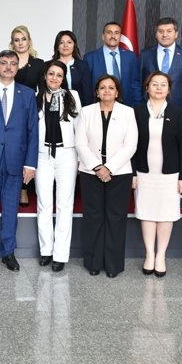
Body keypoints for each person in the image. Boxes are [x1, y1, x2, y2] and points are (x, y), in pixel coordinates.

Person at [0, 50, 39, 273]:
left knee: (11, 209)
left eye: (13, 63)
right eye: (4, 63)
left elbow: (33, 131)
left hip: (16, 160)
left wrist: (30, 164)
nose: (8, 67)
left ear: (18, 67)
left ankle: (8, 252)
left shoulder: (27, 94)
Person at [75, 74, 138, 278]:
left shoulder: (128, 112)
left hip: (119, 173)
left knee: (115, 218)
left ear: (117, 92)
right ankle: (93, 262)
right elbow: (80, 143)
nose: (107, 91)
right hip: (90, 172)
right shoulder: (86, 112)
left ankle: (113, 264)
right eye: (102, 87)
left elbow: (130, 146)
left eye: (111, 88)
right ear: (97, 92)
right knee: (93, 217)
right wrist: (97, 167)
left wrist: (108, 168)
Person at [132, 71, 182, 278]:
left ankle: (161, 256)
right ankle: (149, 254)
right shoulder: (137, 112)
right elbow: (130, 145)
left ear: (169, 89)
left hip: (170, 174)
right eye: (154, 84)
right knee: (146, 213)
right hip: (144, 172)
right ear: (147, 87)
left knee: (166, 214)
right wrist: (132, 173)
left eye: (163, 84)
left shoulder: (176, 112)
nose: (158, 88)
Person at [35, 60, 81, 272]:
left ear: (63, 79)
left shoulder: (73, 96)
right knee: (44, 204)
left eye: (59, 75)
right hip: (42, 155)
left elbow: (80, 127)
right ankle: (46, 250)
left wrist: (80, 158)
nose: (54, 78)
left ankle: (60, 254)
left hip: (66, 155)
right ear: (45, 76)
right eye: (51, 74)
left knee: (64, 205)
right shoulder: (36, 97)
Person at [10, 25, 44, 206]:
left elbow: (42, 90)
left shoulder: (38, 63)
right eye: (17, 40)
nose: (20, 43)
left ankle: (24, 189)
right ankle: (11, 186)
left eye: (23, 39)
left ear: (29, 41)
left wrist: (33, 108)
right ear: (12, 43)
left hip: (29, 111)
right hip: (9, 112)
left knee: (26, 148)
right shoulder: (8, 61)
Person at [139, 17, 182, 119]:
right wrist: (140, 109)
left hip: (178, 113)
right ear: (156, 34)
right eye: (161, 31)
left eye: (169, 31)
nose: (164, 35)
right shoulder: (145, 55)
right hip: (150, 112)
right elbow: (139, 84)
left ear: (176, 34)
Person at [83, 21, 142, 107]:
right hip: (98, 107)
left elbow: (135, 84)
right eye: (109, 32)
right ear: (103, 36)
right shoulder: (90, 58)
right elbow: (87, 87)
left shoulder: (130, 57)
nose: (113, 36)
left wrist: (138, 106)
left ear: (120, 37)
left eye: (116, 33)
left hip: (126, 106)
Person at [51, 30, 93, 106]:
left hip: (79, 108)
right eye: (61, 42)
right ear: (57, 46)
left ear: (74, 45)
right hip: (56, 107)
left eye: (69, 42)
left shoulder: (82, 66)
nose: (65, 45)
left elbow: (87, 93)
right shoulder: (49, 66)